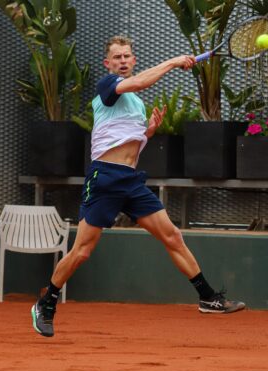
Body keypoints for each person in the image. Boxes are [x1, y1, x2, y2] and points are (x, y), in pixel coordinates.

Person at [31, 36, 245, 337]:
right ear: (108, 63)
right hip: (104, 179)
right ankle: (47, 302)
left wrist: (148, 133)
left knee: (172, 236)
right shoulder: (107, 86)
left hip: (130, 181)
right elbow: (139, 85)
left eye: (127, 56)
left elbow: (126, 145)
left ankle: (208, 297)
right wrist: (172, 61)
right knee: (82, 252)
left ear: (133, 60)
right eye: (116, 57)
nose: (122, 61)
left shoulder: (137, 104)